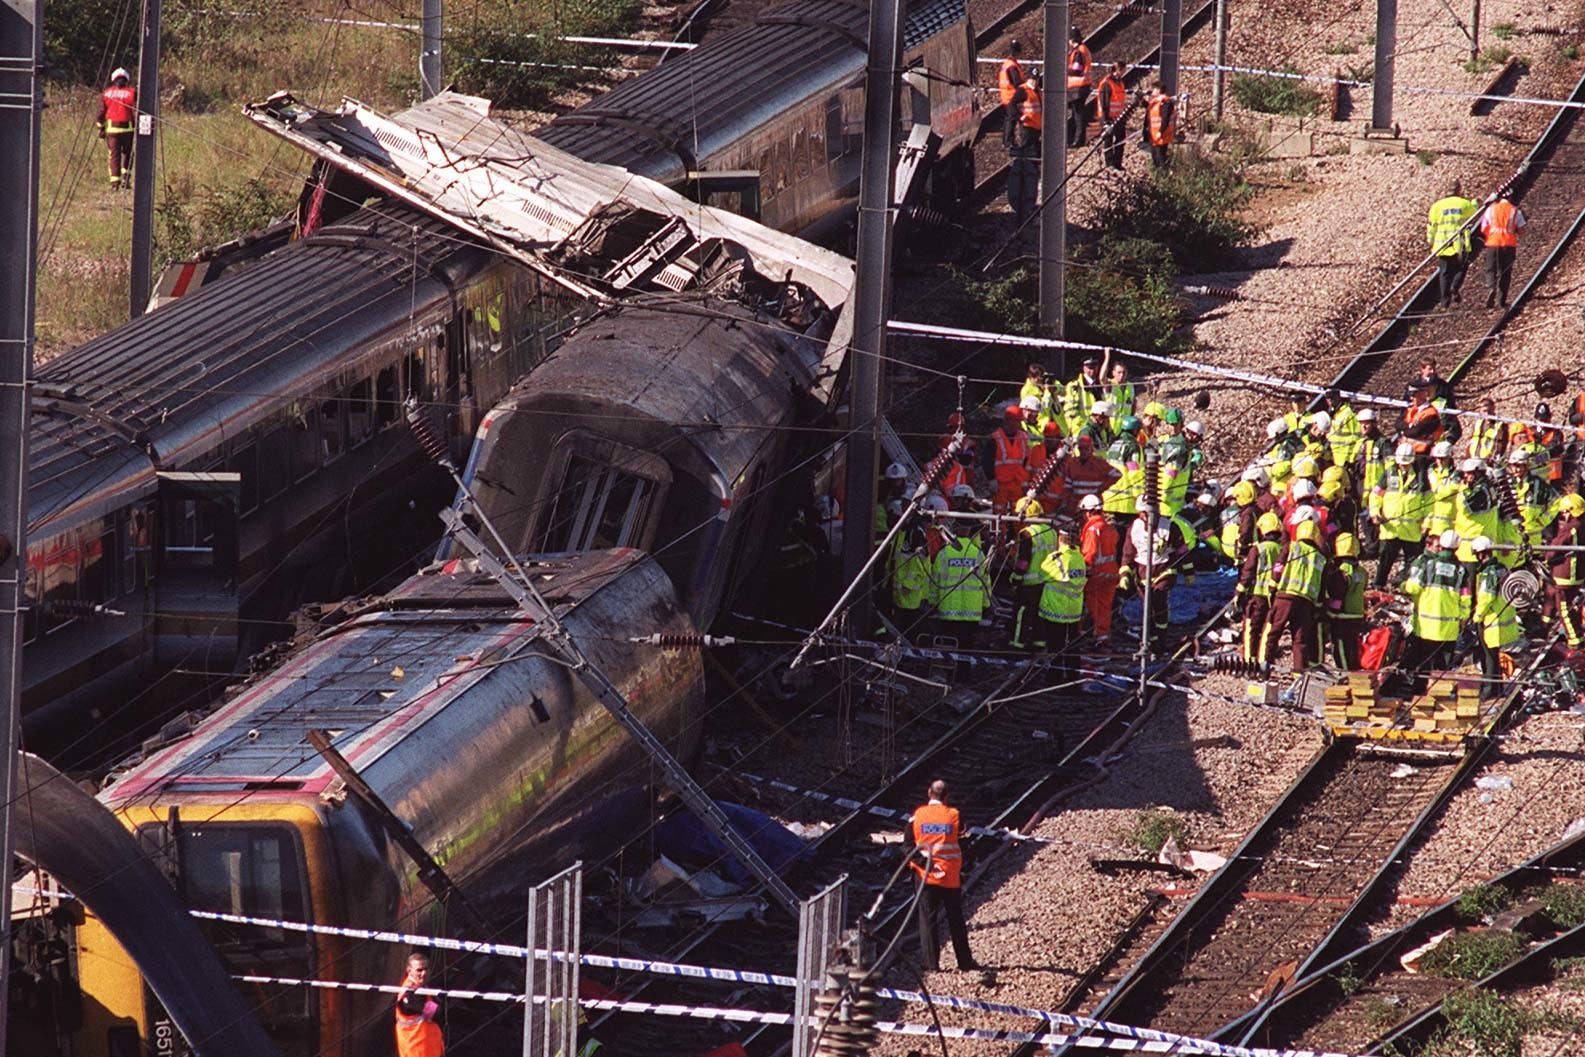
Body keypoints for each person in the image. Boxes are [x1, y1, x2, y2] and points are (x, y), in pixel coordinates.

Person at [911, 779, 978, 971]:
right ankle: (964, 962)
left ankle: (932, 965)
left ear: (928, 793)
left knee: (927, 920)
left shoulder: (918, 815)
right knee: (955, 918)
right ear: (947, 796)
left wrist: (926, 864)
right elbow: (964, 833)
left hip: (925, 876)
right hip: (949, 876)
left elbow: (908, 846)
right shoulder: (954, 815)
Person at [1399, 530, 1471, 692]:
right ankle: (1440, 695)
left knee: (1422, 662)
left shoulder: (1427, 564)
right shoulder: (1461, 570)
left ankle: (1418, 692)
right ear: (1457, 547)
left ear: (1442, 546)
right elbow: (1466, 599)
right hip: (1449, 627)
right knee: (1443, 668)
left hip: (1426, 625)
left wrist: (1403, 586)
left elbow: (1414, 587)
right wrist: (1463, 618)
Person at [1260, 519, 1326, 672]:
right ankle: (1299, 674)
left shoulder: (1291, 547)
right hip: (1306, 602)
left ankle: (1265, 667)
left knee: (1273, 633)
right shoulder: (1320, 557)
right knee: (1300, 639)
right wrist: (1318, 606)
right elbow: (1322, 585)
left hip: (1285, 597)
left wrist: (1272, 587)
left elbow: (1278, 567)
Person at [930, 503, 988, 647]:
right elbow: (985, 581)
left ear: (954, 527)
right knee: (967, 651)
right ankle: (964, 670)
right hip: (972, 612)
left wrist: (932, 602)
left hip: (948, 611)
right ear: (969, 531)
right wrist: (986, 605)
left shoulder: (944, 554)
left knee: (948, 649)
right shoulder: (978, 554)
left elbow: (934, 580)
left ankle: (949, 670)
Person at [1468, 535, 1520, 697]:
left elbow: (1486, 597)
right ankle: (1497, 689)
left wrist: (1477, 616)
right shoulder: (1502, 568)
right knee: (1494, 656)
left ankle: (1489, 690)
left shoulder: (1488, 573)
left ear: (1481, 554)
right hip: (1502, 617)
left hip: (1490, 619)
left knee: (1488, 656)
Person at [1236, 511, 1285, 663]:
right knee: (1267, 630)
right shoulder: (1284, 549)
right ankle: (1265, 661)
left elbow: (1248, 572)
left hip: (1257, 596)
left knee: (1251, 629)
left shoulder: (1258, 549)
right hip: (1275, 597)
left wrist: (1239, 592)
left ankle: (1250, 663)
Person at [1039, 523, 1087, 676]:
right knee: (1073, 645)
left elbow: (1042, 575)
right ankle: (1073, 676)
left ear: (1060, 538)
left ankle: (1054, 676)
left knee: (1055, 645)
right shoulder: (1079, 557)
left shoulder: (1056, 558)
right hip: (1073, 609)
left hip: (1055, 608)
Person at [1009, 496, 1056, 649]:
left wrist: (1016, 577)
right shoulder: (1052, 531)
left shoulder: (1027, 534)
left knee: (1022, 613)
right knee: (1039, 612)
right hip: (1046, 581)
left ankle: (1017, 642)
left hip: (1029, 582)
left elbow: (1024, 560)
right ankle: (1039, 641)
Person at [1426, 180, 1478, 309]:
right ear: (1459, 190)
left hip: (1442, 244)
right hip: (1459, 244)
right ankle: (1455, 286)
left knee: (1444, 272)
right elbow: (1475, 215)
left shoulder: (1436, 207)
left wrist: (1430, 241)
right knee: (1462, 267)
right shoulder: (1464, 204)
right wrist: (1475, 204)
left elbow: (1431, 227)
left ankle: (1444, 301)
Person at [1079, 493, 1120, 644]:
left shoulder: (1092, 530)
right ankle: (1103, 635)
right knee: (1104, 607)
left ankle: (1092, 635)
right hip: (1111, 572)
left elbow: (1090, 553)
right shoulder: (1108, 528)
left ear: (1088, 512)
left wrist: (1084, 571)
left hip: (1097, 574)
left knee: (1092, 605)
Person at [1546, 492, 1585, 651]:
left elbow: (1556, 546)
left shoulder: (1572, 527)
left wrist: (1546, 557)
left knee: (1565, 611)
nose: (1564, 515)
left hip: (1565, 575)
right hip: (1578, 575)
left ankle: (1575, 644)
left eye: (1566, 512)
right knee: (1571, 609)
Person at [1326, 533, 1368, 669]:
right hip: (1357, 615)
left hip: (1343, 616)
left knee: (1340, 649)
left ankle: (1346, 674)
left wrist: (1330, 613)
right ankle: (1355, 671)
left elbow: (1339, 594)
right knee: (1352, 647)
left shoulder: (1342, 571)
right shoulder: (1362, 571)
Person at [1478, 189, 1526, 308]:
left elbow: (1483, 228)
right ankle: (1501, 300)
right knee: (1505, 272)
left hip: (1493, 243)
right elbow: (1521, 231)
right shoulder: (1515, 211)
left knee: (1490, 269)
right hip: (1508, 245)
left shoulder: (1491, 210)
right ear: (1510, 198)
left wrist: (1492, 235)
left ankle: (1491, 287)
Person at [1006, 74, 1043, 227]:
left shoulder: (1037, 90)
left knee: (1034, 158)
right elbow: (1011, 105)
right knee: (1029, 158)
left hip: (1036, 128)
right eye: (1032, 79)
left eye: (1036, 79)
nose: (1034, 82)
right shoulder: (1023, 90)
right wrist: (1020, 117)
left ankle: (1033, 173)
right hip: (1027, 128)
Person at [983, 406, 1032, 514]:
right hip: (1001, 484)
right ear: (1008, 421)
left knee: (1020, 512)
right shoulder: (995, 438)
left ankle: (1019, 531)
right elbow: (987, 460)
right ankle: (999, 532)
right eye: (1017, 421)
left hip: (1018, 483)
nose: (1019, 424)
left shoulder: (1024, 437)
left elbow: (1027, 460)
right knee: (999, 513)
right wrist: (991, 479)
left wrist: (1026, 480)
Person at [396, 952, 444, 1057]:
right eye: (419, 970)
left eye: (426, 969)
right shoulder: (410, 994)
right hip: (416, 1051)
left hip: (428, 1050)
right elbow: (438, 1013)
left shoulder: (421, 988)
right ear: (409, 971)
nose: (424, 973)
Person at [98, 67, 137, 190]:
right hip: (128, 130)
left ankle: (115, 183)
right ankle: (126, 177)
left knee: (114, 155)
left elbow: (101, 113)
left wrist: (100, 127)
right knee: (128, 153)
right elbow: (136, 111)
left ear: (113, 80)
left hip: (112, 130)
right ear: (126, 80)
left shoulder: (106, 93)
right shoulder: (132, 92)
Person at [1094, 61, 1129, 169]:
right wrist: (1105, 120)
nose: (1124, 72)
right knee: (1108, 140)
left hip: (1118, 116)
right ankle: (1109, 163)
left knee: (1121, 139)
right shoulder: (1107, 83)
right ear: (1117, 70)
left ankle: (1117, 163)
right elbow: (1104, 102)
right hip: (1108, 117)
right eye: (1123, 69)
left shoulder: (1120, 83)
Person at [1065, 26, 1093, 147]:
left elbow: (1077, 70)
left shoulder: (1078, 52)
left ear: (1072, 40)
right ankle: (1077, 139)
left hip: (1078, 88)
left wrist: (1065, 70)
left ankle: (1078, 140)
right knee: (1077, 114)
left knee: (1078, 115)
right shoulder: (1083, 49)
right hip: (1081, 86)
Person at [1144, 81, 1174, 169]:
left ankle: (1164, 176)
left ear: (1158, 90)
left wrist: (1161, 131)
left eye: (1154, 89)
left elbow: (1165, 118)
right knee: (1155, 158)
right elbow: (1150, 110)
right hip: (1154, 135)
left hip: (1161, 135)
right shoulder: (1156, 102)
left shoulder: (1165, 102)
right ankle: (1159, 174)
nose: (1152, 91)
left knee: (1161, 158)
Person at [998, 39, 1026, 108]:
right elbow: (1017, 83)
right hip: (1013, 99)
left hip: (1006, 98)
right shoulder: (1012, 66)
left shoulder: (1005, 64)